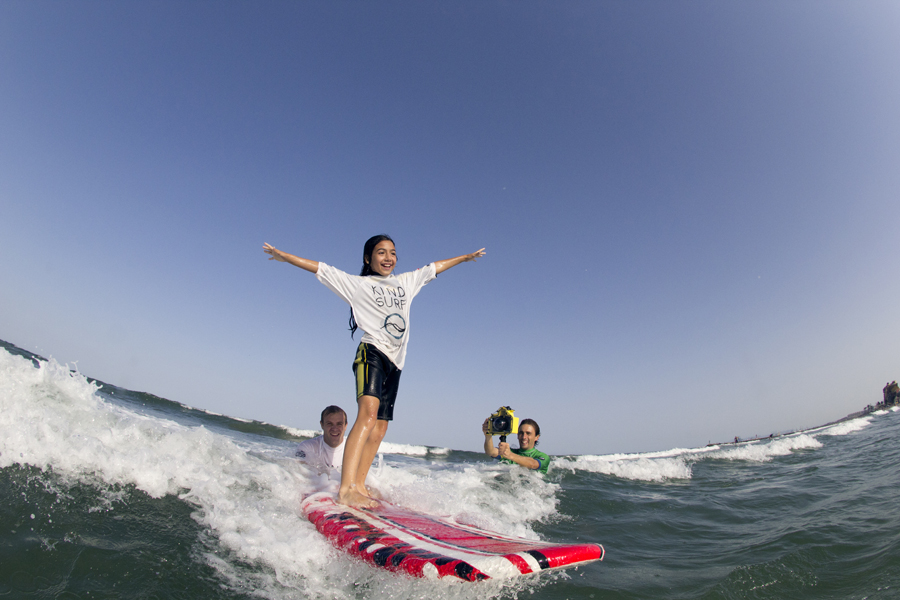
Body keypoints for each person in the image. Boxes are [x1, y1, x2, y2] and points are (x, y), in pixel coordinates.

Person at [264, 235, 485, 507]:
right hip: (372, 353)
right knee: (367, 415)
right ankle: (346, 489)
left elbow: (434, 267)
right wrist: (285, 256)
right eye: (381, 252)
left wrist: (463, 258)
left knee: (380, 428)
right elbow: (320, 268)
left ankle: (359, 483)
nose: (388, 257)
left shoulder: (406, 282)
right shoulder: (359, 285)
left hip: (397, 361)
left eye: (392, 252)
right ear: (368, 258)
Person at [482, 417, 550, 474]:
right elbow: (490, 451)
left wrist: (510, 455)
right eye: (521, 433)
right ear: (517, 435)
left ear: (536, 437)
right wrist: (488, 435)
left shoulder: (543, 457)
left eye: (528, 433)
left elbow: (532, 464)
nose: (524, 437)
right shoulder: (510, 452)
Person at [295, 405, 348, 474]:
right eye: (329, 424)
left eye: (339, 424)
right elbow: (298, 473)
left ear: (346, 426)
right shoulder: (307, 447)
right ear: (322, 425)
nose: (335, 429)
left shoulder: (356, 450)